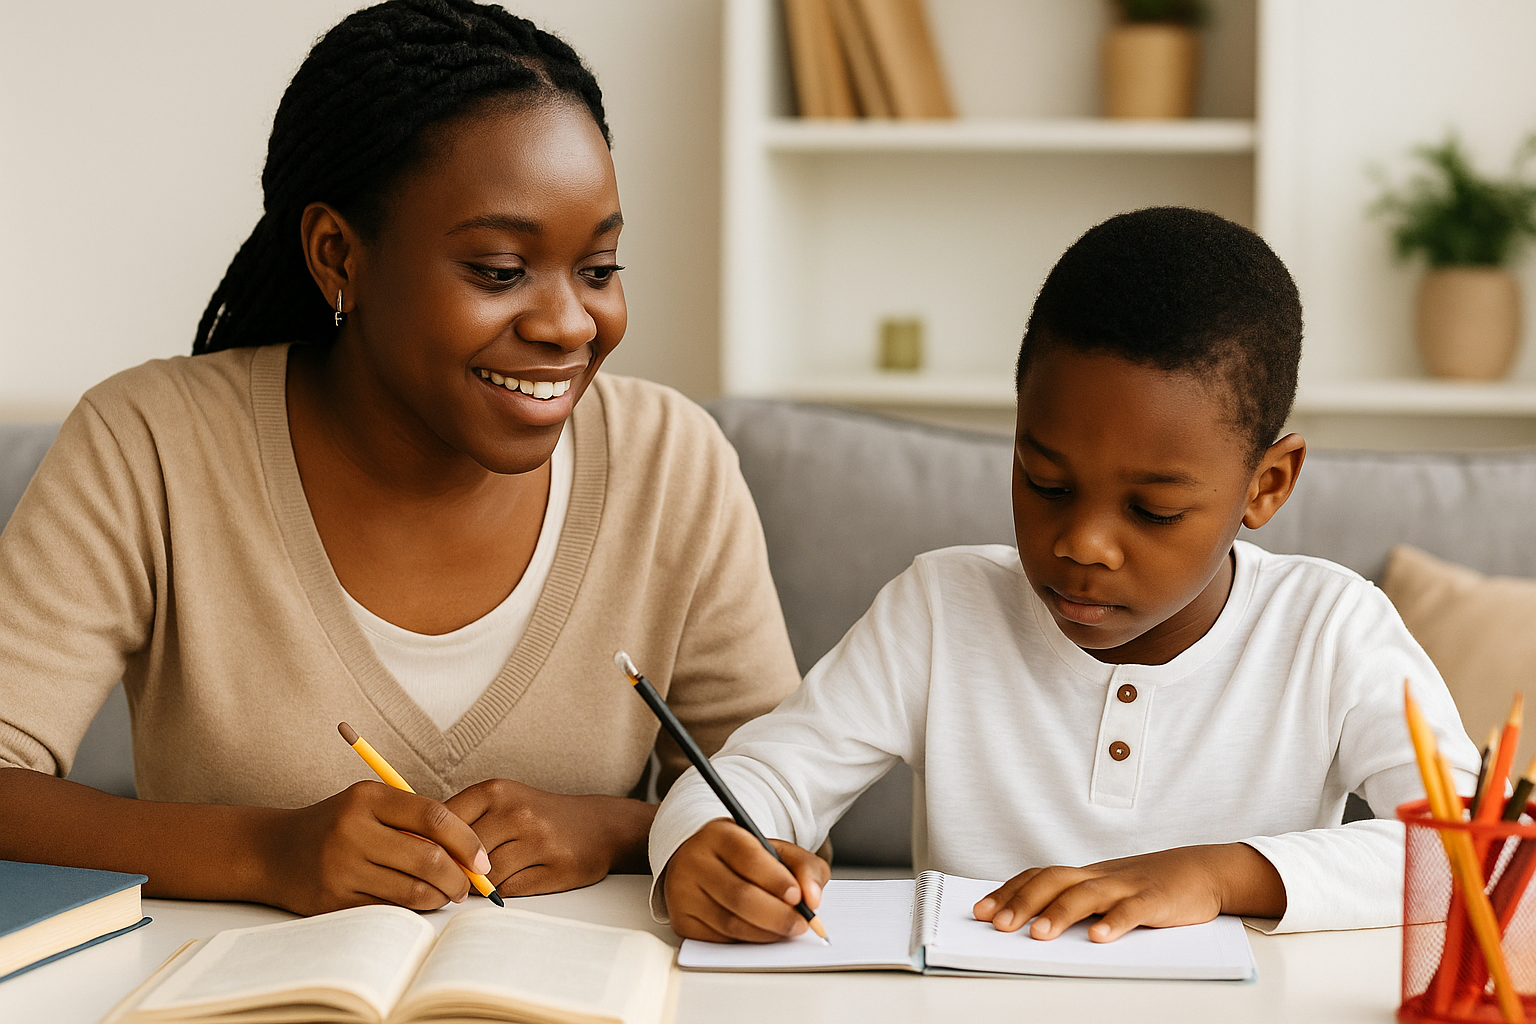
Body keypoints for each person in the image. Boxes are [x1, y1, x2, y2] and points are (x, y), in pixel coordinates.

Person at [0, 0, 800, 917]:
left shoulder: (672, 462)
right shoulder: (148, 444)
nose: (570, 324)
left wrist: (623, 829)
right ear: (338, 254)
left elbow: (784, 797)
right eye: (500, 271)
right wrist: (263, 851)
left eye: (599, 268)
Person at [650, 207, 1479, 944]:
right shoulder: (941, 611)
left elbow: (1473, 851)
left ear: (1266, 485)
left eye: (1152, 511)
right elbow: (754, 777)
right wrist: (700, 846)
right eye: (1045, 483)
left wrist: (1215, 875)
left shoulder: (1332, 629)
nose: (1083, 544)